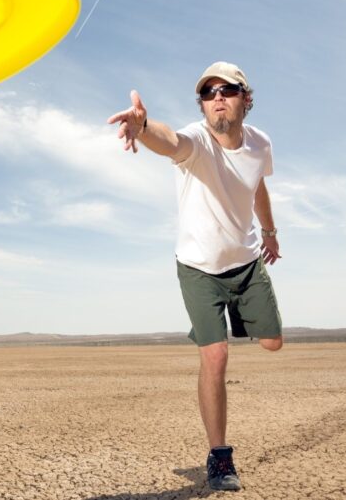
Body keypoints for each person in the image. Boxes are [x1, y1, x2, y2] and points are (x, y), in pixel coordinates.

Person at [107, 62, 283, 492]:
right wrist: (143, 125)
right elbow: (170, 142)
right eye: (208, 92)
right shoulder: (197, 141)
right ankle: (220, 458)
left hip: (245, 263)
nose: (217, 96)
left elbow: (258, 185)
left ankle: (241, 313)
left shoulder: (260, 144)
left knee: (272, 343)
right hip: (198, 268)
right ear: (203, 105)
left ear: (246, 97)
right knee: (216, 356)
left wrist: (270, 232)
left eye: (227, 89)